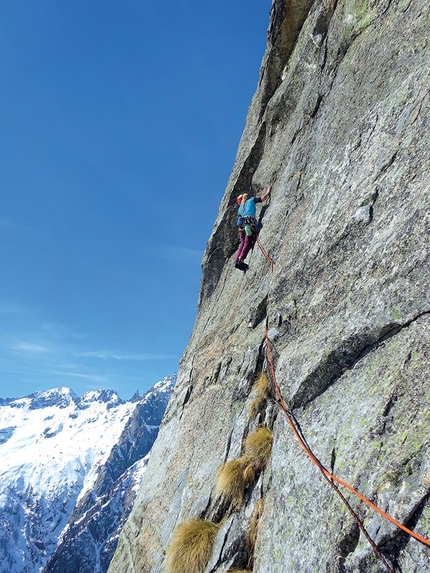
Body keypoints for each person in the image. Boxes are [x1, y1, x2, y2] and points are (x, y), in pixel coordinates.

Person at [235, 185, 272, 271]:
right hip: (249, 223)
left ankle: (237, 260)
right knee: (248, 241)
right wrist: (268, 192)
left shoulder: (240, 208)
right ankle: (241, 259)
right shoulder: (251, 200)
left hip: (241, 226)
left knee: (242, 242)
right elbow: (262, 199)